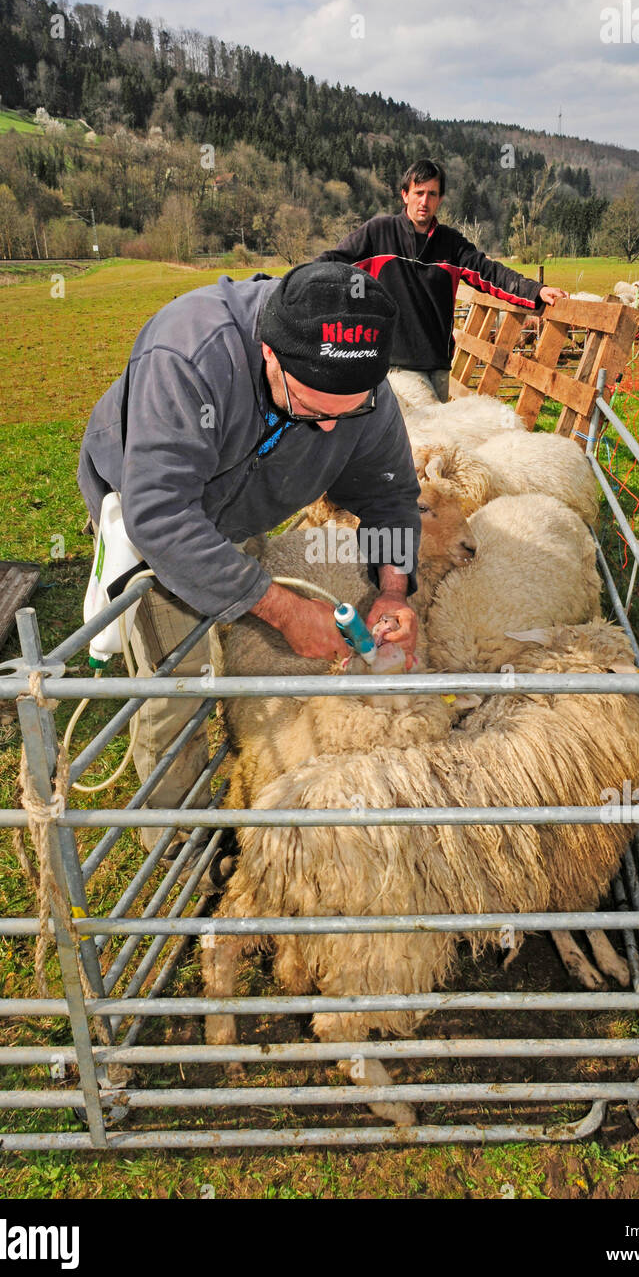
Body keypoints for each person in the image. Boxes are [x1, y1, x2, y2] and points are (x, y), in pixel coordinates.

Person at [77, 262, 421, 862]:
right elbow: (161, 515)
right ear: (269, 353)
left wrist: (394, 590)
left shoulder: (363, 393)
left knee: (241, 639)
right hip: (158, 515)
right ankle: (178, 838)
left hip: (244, 504)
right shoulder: (189, 355)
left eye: (351, 410)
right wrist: (283, 609)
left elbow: (389, 495)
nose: (334, 425)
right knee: (175, 680)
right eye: (313, 409)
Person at [318, 158, 568, 401]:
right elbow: (335, 261)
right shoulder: (378, 233)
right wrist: (290, 284)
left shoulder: (451, 244)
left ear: (440, 199)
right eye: (418, 192)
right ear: (405, 195)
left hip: (436, 364)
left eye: (432, 194)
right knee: (404, 438)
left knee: (436, 440)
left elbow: (490, 273)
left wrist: (536, 290)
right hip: (392, 365)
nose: (424, 201)